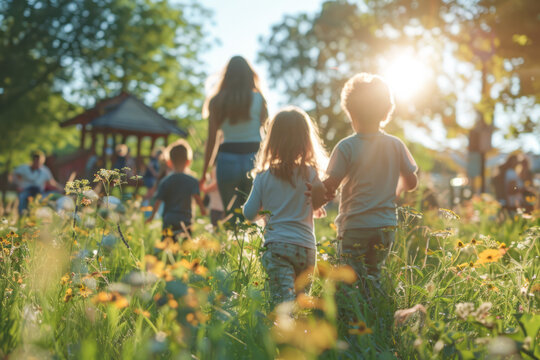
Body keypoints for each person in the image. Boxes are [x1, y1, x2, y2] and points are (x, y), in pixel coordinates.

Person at [311, 73, 418, 279]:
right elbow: (412, 182)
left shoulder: (346, 147)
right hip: (385, 225)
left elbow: (330, 186)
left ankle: (355, 309)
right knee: (374, 272)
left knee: (351, 276)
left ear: (350, 112)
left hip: (355, 225)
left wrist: (314, 195)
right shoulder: (396, 145)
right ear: (387, 111)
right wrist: (396, 189)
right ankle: (374, 307)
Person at [243, 107, 327, 306]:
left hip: (278, 247)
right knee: (300, 304)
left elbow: (248, 214)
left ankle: (280, 335)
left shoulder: (264, 177)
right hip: (306, 248)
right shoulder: (312, 175)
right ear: (306, 141)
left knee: (282, 304)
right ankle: (299, 336)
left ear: (272, 141)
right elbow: (316, 204)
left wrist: (264, 207)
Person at [200, 56, 268, 222]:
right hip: (254, 158)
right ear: (249, 74)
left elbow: (211, 140)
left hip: (227, 160)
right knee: (255, 216)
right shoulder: (258, 99)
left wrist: (204, 173)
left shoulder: (217, 101)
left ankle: (232, 246)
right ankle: (255, 248)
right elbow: (268, 134)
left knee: (232, 216)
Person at [145, 140, 206, 240]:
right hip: (185, 221)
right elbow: (197, 197)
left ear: (169, 162)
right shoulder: (192, 181)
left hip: (169, 220)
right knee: (185, 249)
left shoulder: (165, 181)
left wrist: (151, 217)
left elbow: (158, 201)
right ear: (188, 162)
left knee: (166, 246)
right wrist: (203, 209)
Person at [12, 150, 63, 215]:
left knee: (51, 197)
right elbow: (15, 176)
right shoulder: (23, 168)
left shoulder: (45, 170)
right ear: (33, 160)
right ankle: (22, 216)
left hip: (39, 193)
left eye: (39, 161)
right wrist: (18, 185)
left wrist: (61, 188)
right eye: (36, 161)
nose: (37, 163)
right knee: (22, 198)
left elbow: (52, 182)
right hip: (26, 190)